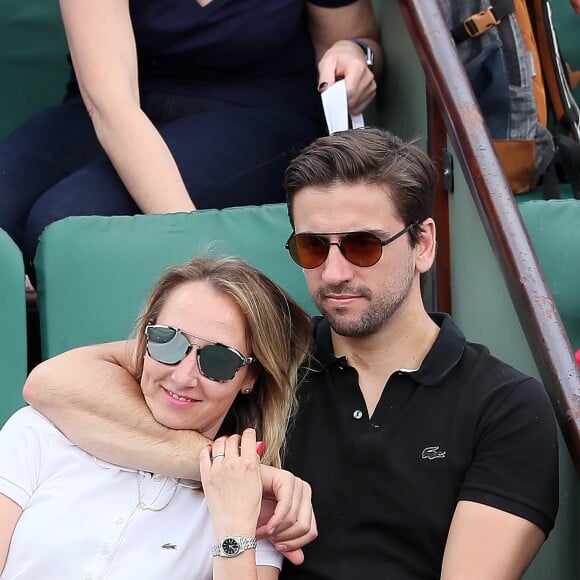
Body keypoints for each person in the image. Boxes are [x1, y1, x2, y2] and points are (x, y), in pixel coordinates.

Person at [24, 127, 559, 578]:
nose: (334, 273)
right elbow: (53, 386)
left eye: (362, 245)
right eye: (311, 246)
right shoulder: (254, 360)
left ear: (422, 244)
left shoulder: (504, 405)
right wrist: (238, 473)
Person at [0, 0, 382, 276]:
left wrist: (354, 53)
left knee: (66, 223)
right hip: (117, 104)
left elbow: (358, 38)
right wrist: (191, 242)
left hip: (257, 114)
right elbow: (112, 105)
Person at [0, 256, 314, 578]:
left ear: (250, 377)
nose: (183, 377)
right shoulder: (41, 430)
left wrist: (235, 526)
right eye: (167, 341)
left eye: (219, 360)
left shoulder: (253, 503)